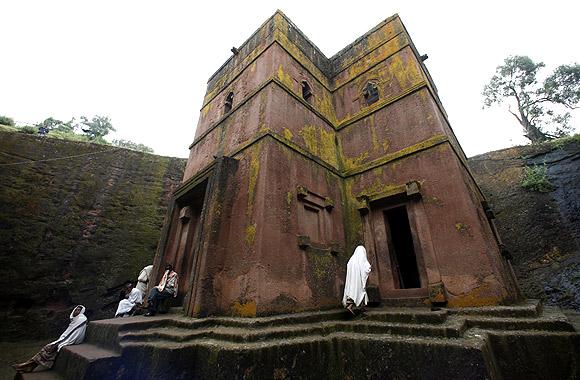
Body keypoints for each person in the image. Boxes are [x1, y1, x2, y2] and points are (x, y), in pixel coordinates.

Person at [12, 305, 87, 373]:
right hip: (65, 339)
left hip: (69, 340)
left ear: (81, 312)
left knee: (48, 348)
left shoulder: (81, 319)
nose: (76, 311)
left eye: (78, 310)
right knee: (47, 349)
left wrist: (62, 342)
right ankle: (28, 365)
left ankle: (27, 365)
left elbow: (75, 334)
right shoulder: (75, 320)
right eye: (75, 309)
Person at [342, 245, 372, 315]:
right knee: (360, 292)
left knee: (355, 292)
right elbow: (365, 268)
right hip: (359, 280)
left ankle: (361, 307)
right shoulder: (361, 258)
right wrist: (369, 268)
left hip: (351, 281)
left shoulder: (351, 260)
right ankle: (353, 306)